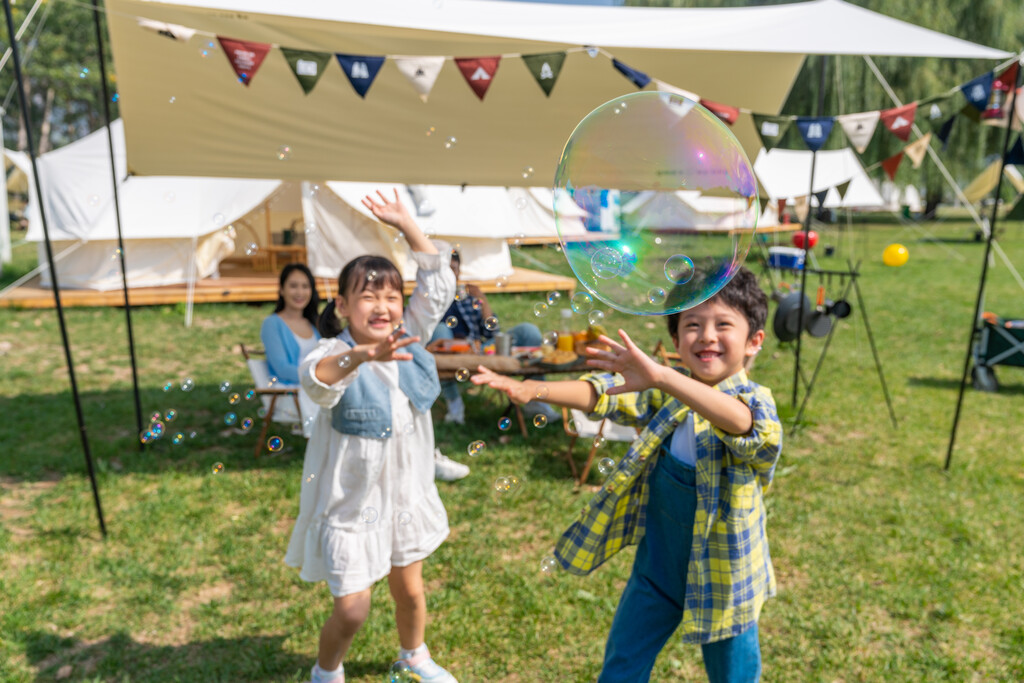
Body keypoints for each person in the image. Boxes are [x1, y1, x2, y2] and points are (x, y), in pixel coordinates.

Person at [471, 268, 782, 683]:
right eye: (692, 325)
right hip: (658, 570)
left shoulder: (754, 403)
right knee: (622, 666)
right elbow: (603, 393)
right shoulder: (665, 397)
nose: (707, 336)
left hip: (727, 577)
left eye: (723, 324)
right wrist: (534, 389)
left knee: (735, 677)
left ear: (753, 342)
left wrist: (663, 375)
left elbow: (744, 426)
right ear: (676, 340)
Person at [285, 189, 459, 683]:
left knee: (411, 590)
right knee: (353, 609)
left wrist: (407, 224)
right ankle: (326, 671)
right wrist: (360, 356)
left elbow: (439, 282)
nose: (381, 307)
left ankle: (414, 654)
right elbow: (317, 379)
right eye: (367, 296)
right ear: (341, 305)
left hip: (406, 495)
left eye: (390, 297)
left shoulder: (412, 338)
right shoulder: (331, 350)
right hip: (351, 505)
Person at [428, 249, 558, 426]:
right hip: (449, 354)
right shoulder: (427, 299)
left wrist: (483, 301)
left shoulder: (468, 298)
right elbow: (430, 337)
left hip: (480, 351)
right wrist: (463, 345)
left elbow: (491, 333)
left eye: (454, 268)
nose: (451, 274)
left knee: (528, 330)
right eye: (446, 269)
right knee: (442, 329)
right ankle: (454, 404)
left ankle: (535, 400)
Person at [261, 263, 321, 437]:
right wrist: (317, 377)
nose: (300, 293)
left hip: (314, 384)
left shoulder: (314, 323)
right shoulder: (272, 324)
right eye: (293, 286)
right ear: (281, 290)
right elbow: (282, 368)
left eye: (305, 286)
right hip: (290, 391)